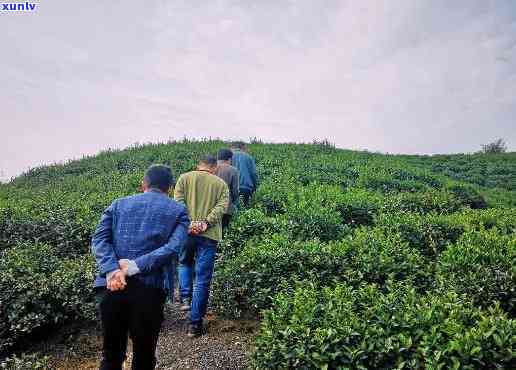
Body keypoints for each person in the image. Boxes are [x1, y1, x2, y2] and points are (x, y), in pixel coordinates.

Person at [92, 165, 189, 370]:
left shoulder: (118, 204)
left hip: (111, 286)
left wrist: (113, 270)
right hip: (149, 290)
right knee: (144, 356)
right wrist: (134, 266)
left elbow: (100, 239)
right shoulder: (178, 211)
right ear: (170, 188)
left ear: (143, 184)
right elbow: (173, 248)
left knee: (111, 355)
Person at [174, 155, 229, 337]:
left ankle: (185, 298)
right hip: (209, 234)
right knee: (203, 279)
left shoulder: (184, 178)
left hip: (186, 232)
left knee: (184, 263)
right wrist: (205, 223)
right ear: (214, 168)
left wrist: (189, 223)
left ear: (199, 166)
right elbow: (222, 207)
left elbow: (178, 202)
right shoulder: (220, 184)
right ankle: (194, 325)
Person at [215, 148, 239, 235]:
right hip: (226, 207)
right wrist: (234, 201)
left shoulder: (211, 168)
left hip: (210, 207)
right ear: (229, 159)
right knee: (223, 232)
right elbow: (235, 191)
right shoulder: (233, 170)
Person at [231, 141, 258, 207]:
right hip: (246, 188)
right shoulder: (249, 157)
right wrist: (255, 188)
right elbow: (253, 174)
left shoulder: (229, 157)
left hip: (233, 188)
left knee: (233, 212)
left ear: (233, 147)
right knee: (244, 209)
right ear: (243, 147)